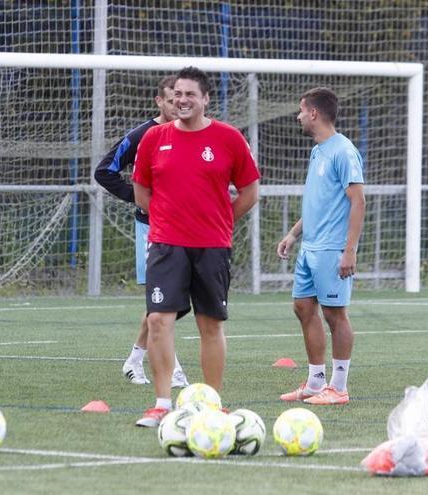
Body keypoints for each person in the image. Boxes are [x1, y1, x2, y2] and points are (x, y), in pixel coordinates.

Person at [131, 66, 260, 427]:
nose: (182, 100)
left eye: (190, 94)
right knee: (158, 320)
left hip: (212, 246)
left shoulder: (229, 138)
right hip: (166, 244)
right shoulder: (154, 138)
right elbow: (141, 191)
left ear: (205, 99)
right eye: (177, 94)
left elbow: (250, 192)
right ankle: (161, 404)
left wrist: (221, 220)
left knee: (211, 325)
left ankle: (212, 407)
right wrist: (163, 219)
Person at [94, 75, 189, 388]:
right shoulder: (141, 135)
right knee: (162, 300)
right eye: (171, 98)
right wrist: (140, 198)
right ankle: (173, 370)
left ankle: (134, 360)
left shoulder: (190, 132)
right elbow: (104, 171)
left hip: (187, 227)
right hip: (152, 228)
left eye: (181, 98)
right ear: (159, 101)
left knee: (169, 301)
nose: (178, 104)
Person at [276, 87, 365, 406]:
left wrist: (349, 250)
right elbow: (320, 202)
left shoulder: (344, 151)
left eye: (301, 110)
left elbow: (358, 202)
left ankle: (338, 387)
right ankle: (316, 382)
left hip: (332, 248)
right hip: (309, 247)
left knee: (334, 314)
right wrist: (293, 234)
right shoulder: (318, 150)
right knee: (302, 307)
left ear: (314, 113)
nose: (298, 116)